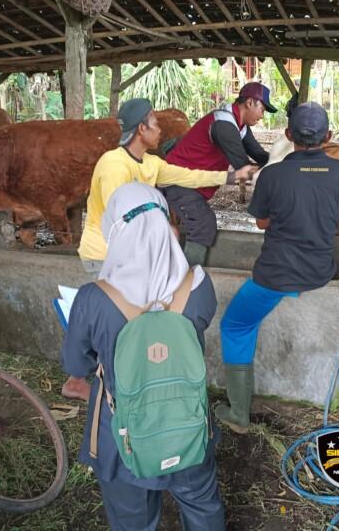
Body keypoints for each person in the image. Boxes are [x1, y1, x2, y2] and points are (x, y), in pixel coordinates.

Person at [65, 98, 255, 400]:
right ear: (141, 129)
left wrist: (230, 176)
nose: (160, 130)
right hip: (106, 253)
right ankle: (100, 384)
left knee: (135, 319)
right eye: (155, 123)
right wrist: (164, 231)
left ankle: (135, 380)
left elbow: (188, 175)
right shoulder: (113, 165)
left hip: (137, 253)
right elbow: (122, 217)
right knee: (118, 320)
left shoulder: (150, 163)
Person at [62, 182, 224, 531]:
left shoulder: (93, 298)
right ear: (165, 222)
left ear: (114, 229)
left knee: (132, 518)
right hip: (188, 422)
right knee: (202, 505)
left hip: (122, 434)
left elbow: (76, 365)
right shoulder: (198, 285)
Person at [215, 102, 339, 433]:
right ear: (328, 136)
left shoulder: (273, 175)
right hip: (320, 268)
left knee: (235, 325)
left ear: (288, 135)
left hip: (276, 274)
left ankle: (239, 414)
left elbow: (262, 223)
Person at [163, 82, 275, 266]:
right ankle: (188, 275)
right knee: (203, 224)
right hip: (179, 182)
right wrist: (278, 178)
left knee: (198, 222)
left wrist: (285, 164)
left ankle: (185, 268)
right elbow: (243, 167)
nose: (262, 116)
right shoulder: (224, 124)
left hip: (193, 183)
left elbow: (259, 154)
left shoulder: (238, 125)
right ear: (250, 103)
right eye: (262, 109)